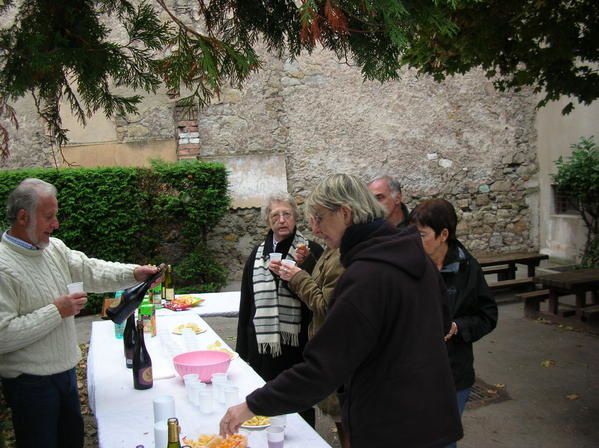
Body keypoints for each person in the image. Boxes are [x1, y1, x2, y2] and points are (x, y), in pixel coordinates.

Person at [223, 174, 463, 447]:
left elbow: (323, 368)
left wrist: (251, 405)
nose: (315, 229)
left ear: (345, 213)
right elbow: (443, 325)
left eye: (320, 218)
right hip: (434, 418)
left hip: (391, 427)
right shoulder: (414, 253)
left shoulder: (365, 275)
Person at [0, 178, 161, 448]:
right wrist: (57, 311)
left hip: (64, 374)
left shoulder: (54, 249)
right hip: (28, 386)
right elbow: (3, 335)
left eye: (56, 215)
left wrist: (134, 273)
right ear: (22, 217)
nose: (56, 224)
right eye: (49, 216)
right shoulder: (4, 266)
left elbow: (91, 270)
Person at [408, 198, 498, 447]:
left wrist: (458, 326)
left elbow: (487, 315)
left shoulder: (467, 268)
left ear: (443, 234)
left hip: (452, 375)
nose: (414, 241)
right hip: (412, 373)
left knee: (442, 439)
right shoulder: (410, 266)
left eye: (422, 234)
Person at [235, 192, 323, 427]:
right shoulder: (256, 255)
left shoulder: (311, 250)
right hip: (263, 346)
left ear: (295, 218)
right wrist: (242, 350)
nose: (282, 220)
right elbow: (247, 304)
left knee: (298, 404)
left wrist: (306, 264)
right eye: (276, 215)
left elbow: (319, 295)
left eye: (287, 214)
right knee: (264, 405)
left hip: (297, 344)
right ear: (268, 221)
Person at [271, 221, 347, 447]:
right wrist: (308, 264)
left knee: (348, 420)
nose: (314, 229)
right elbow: (325, 283)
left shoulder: (345, 252)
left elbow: (325, 304)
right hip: (329, 349)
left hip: (338, 350)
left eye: (320, 221)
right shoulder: (332, 248)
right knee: (342, 420)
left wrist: (297, 276)